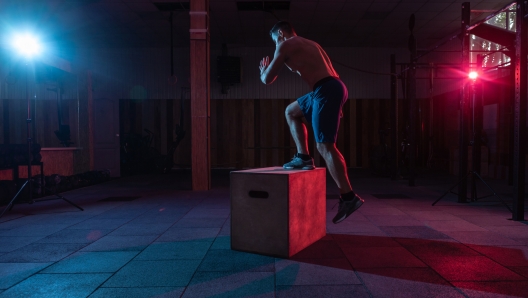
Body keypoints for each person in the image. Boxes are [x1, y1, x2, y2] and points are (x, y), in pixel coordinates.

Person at [258, 21, 364, 224]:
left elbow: (267, 79)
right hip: (329, 87)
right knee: (291, 111)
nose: (276, 45)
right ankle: (303, 157)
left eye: (275, 40)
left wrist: (263, 70)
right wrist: (337, 102)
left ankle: (348, 197)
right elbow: (334, 74)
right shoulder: (311, 44)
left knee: (325, 146)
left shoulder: (286, 44)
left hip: (326, 90)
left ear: (281, 33)